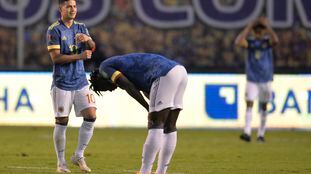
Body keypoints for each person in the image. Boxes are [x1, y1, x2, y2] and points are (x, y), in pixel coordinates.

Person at [89, 53, 188, 174]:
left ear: (100, 78)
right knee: (169, 126)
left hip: (164, 74)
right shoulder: (126, 67)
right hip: (180, 71)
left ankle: (145, 171)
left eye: (105, 88)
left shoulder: (104, 67)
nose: (110, 89)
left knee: (155, 124)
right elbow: (149, 90)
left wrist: (148, 108)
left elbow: (128, 86)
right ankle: (161, 171)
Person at [46, 0, 97, 172]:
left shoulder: (81, 27)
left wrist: (88, 39)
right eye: (68, 6)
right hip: (62, 83)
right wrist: (80, 56)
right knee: (62, 122)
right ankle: (61, 163)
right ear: (61, 9)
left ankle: (78, 155)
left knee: (91, 115)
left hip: (81, 81)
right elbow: (56, 58)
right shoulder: (54, 30)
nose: (72, 9)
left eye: (74, 6)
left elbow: (92, 48)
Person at [235, 17, 279, 142]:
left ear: (264, 31)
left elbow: (276, 41)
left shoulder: (267, 42)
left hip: (265, 79)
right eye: (256, 30)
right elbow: (238, 42)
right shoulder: (250, 42)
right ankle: (247, 132)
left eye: (260, 30)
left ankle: (261, 134)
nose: (258, 33)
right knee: (249, 104)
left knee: (264, 106)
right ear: (253, 31)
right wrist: (249, 27)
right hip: (252, 78)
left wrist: (268, 27)